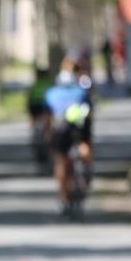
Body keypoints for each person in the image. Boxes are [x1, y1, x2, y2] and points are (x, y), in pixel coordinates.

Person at [45, 68, 93, 215]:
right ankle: (87, 169)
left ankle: (64, 200)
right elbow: (90, 112)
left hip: (61, 129)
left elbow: (48, 117)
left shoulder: (51, 93)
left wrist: (48, 134)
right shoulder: (81, 92)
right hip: (80, 127)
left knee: (61, 163)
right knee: (85, 146)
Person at [27, 66, 52, 172]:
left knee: (34, 123)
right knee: (48, 125)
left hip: (35, 107)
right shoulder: (48, 84)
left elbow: (29, 98)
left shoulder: (34, 85)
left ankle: (33, 133)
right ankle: (48, 135)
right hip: (45, 107)